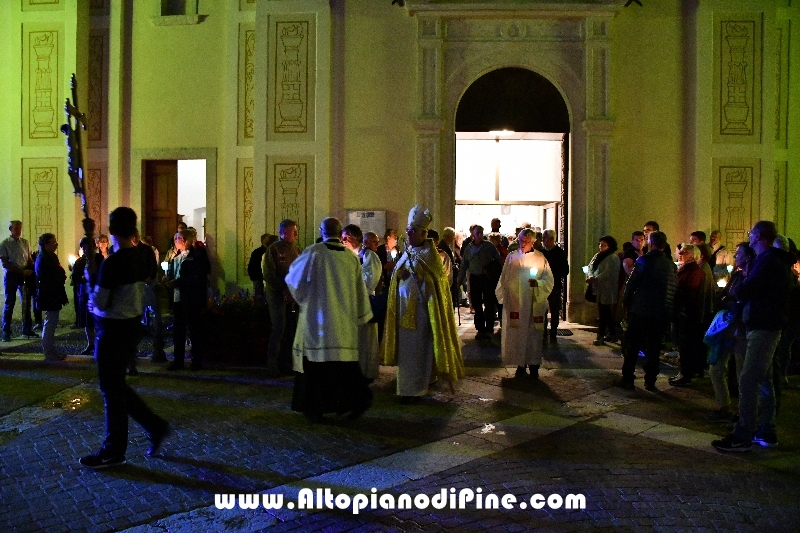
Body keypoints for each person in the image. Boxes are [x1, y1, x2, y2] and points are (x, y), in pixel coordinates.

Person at [80, 207, 170, 468]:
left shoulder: (114, 262)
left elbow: (102, 302)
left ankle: (114, 449)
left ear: (112, 230)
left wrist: (91, 285)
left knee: (112, 391)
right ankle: (155, 426)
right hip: (131, 327)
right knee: (117, 386)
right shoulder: (140, 256)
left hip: (112, 330)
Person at [713, 221, 794, 452]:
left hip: (764, 327)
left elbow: (745, 289)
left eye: (751, 234)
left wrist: (739, 291)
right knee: (765, 379)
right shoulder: (773, 260)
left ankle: (743, 434)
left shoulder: (767, 260)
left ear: (759, 237)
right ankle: (767, 430)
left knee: (748, 379)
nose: (749, 237)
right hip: (766, 325)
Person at [286, 217, 373, 422]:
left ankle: (315, 408)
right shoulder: (351, 258)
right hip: (343, 325)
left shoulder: (314, 252)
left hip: (318, 324)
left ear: (321, 231)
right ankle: (351, 403)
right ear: (338, 232)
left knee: (316, 369)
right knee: (343, 368)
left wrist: (304, 298)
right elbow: (361, 291)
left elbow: (293, 280)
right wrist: (362, 315)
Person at [382, 206, 465, 403]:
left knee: (420, 352)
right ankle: (406, 387)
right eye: (408, 230)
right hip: (404, 312)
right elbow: (397, 278)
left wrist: (422, 280)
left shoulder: (431, 256)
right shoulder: (407, 252)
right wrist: (399, 276)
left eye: (413, 231)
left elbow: (438, 285)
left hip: (422, 313)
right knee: (406, 355)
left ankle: (417, 389)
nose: (409, 234)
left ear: (423, 233)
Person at [617, 231, 678, 391]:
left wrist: (626, 302)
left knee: (633, 345)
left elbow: (632, 284)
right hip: (661, 313)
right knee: (654, 347)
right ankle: (650, 380)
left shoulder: (644, 260)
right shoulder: (670, 264)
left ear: (650, 244)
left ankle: (628, 377)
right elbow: (673, 289)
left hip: (642, 311)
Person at [495, 228, 553, 379]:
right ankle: (520, 365)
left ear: (533, 241)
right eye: (521, 240)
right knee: (518, 335)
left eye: (526, 241)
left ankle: (534, 365)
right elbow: (504, 278)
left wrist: (538, 283)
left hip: (533, 303)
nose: (523, 243)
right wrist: (505, 295)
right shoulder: (511, 257)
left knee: (533, 335)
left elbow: (549, 281)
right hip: (516, 303)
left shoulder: (540, 258)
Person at [706, 242, 753, 421]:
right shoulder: (737, 274)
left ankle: (744, 412)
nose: (735, 256)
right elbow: (725, 297)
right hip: (726, 327)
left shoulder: (752, 277)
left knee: (743, 373)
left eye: (739, 253)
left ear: (748, 256)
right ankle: (723, 406)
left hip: (742, 329)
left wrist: (731, 301)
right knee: (715, 367)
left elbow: (741, 302)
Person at [165, 229, 211, 371]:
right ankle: (178, 361)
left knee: (194, 330)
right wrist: (167, 277)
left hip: (191, 299)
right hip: (178, 299)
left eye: (177, 238)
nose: (175, 241)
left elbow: (197, 278)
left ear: (184, 240)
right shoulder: (176, 256)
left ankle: (196, 361)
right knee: (178, 331)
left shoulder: (197, 256)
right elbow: (174, 272)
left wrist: (178, 282)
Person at [342, 224, 382, 381]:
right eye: (342, 238)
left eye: (346, 238)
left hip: (364, 303)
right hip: (349, 306)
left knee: (365, 340)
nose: (343, 241)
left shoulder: (368, 256)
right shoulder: (346, 255)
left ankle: (366, 372)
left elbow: (370, 280)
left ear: (355, 238)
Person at [262, 219, 301, 376]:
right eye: (294, 231)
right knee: (279, 329)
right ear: (284, 232)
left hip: (294, 297)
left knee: (291, 331)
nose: (296, 234)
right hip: (278, 296)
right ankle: (272, 366)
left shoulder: (297, 250)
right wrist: (283, 289)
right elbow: (269, 274)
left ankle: (287, 364)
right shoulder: (273, 250)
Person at [669, 243, 708, 386]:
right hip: (683, 313)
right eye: (681, 251)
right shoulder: (686, 269)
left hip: (686, 314)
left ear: (692, 255)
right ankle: (685, 372)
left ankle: (686, 374)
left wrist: (676, 291)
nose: (680, 253)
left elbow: (689, 292)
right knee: (684, 345)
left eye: (684, 252)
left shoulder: (694, 271)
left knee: (686, 346)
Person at [458, 224, 502, 339]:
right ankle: (480, 326)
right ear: (472, 234)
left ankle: (489, 327)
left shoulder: (489, 246)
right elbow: (464, 265)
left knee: (489, 302)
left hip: (487, 278)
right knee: (476, 303)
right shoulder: (469, 248)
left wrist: (493, 270)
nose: (479, 235)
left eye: (481, 233)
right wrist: (459, 280)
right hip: (475, 277)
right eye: (477, 233)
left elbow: (498, 260)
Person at [34, 233, 69, 361]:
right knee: (50, 323)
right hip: (50, 294)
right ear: (46, 244)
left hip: (52, 293)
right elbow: (52, 275)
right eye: (53, 242)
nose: (56, 244)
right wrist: (61, 275)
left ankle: (50, 350)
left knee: (51, 322)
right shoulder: (45, 258)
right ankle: (49, 351)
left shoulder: (48, 256)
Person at [1, 220, 34, 341]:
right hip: (11, 275)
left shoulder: (25, 242)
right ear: (11, 229)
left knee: (26, 302)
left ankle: (27, 328)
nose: (19, 230)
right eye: (16, 228)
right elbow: (5, 263)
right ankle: (6, 331)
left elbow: (29, 259)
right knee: (10, 302)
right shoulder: (5, 244)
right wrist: (21, 271)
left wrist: (31, 269)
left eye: (20, 228)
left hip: (24, 274)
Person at [586, 235, 621, 345]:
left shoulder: (613, 258)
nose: (601, 246)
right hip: (598, 288)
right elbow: (590, 267)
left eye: (604, 245)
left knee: (603, 312)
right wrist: (590, 276)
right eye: (600, 244)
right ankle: (613, 332)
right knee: (605, 312)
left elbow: (608, 273)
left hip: (607, 289)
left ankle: (601, 335)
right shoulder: (597, 255)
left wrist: (595, 279)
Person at [73, 237, 104, 355]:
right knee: (87, 321)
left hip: (96, 292)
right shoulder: (80, 261)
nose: (86, 250)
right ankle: (90, 343)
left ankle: (98, 343)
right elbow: (75, 277)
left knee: (97, 319)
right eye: (84, 247)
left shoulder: (99, 259)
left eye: (88, 247)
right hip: (84, 293)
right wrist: (82, 278)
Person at [541, 229, 569, 342]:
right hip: (542, 285)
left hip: (554, 285)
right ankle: (542, 330)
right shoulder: (541, 252)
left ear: (551, 239)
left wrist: (553, 274)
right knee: (542, 309)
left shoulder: (560, 253)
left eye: (544, 238)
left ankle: (553, 331)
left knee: (554, 308)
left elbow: (565, 270)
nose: (542, 240)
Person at [248, 234, 274, 303]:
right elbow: (251, 266)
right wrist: (255, 277)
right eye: (267, 239)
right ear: (263, 241)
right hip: (259, 279)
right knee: (259, 298)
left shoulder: (272, 251)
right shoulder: (257, 252)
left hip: (268, 280)